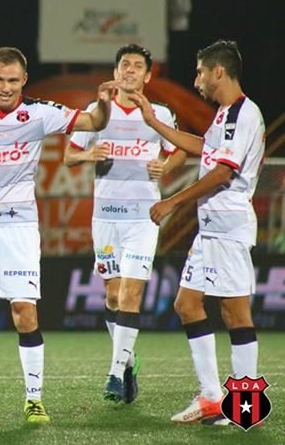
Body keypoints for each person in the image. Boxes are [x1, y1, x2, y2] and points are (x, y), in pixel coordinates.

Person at [0, 46, 119, 424]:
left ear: (24, 81)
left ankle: (34, 399)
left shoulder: (39, 113)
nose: (5, 87)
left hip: (18, 226)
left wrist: (103, 103)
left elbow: (93, 122)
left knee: (24, 313)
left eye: (13, 80)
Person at [129, 40, 265, 424]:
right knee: (187, 305)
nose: (197, 79)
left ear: (218, 71)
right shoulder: (224, 115)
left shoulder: (244, 114)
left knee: (235, 312)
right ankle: (210, 397)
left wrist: (172, 202)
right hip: (210, 230)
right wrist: (154, 123)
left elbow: (223, 172)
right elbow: (205, 149)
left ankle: (247, 407)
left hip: (229, 227)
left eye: (201, 71)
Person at [64, 44, 187, 404]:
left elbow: (179, 148)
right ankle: (128, 362)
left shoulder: (159, 113)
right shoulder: (96, 112)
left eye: (137, 66)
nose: (130, 70)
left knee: (131, 294)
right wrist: (89, 154)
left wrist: (167, 166)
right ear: (116, 71)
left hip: (143, 218)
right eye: (124, 65)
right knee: (112, 295)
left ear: (148, 75)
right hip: (105, 216)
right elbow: (71, 155)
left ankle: (115, 374)